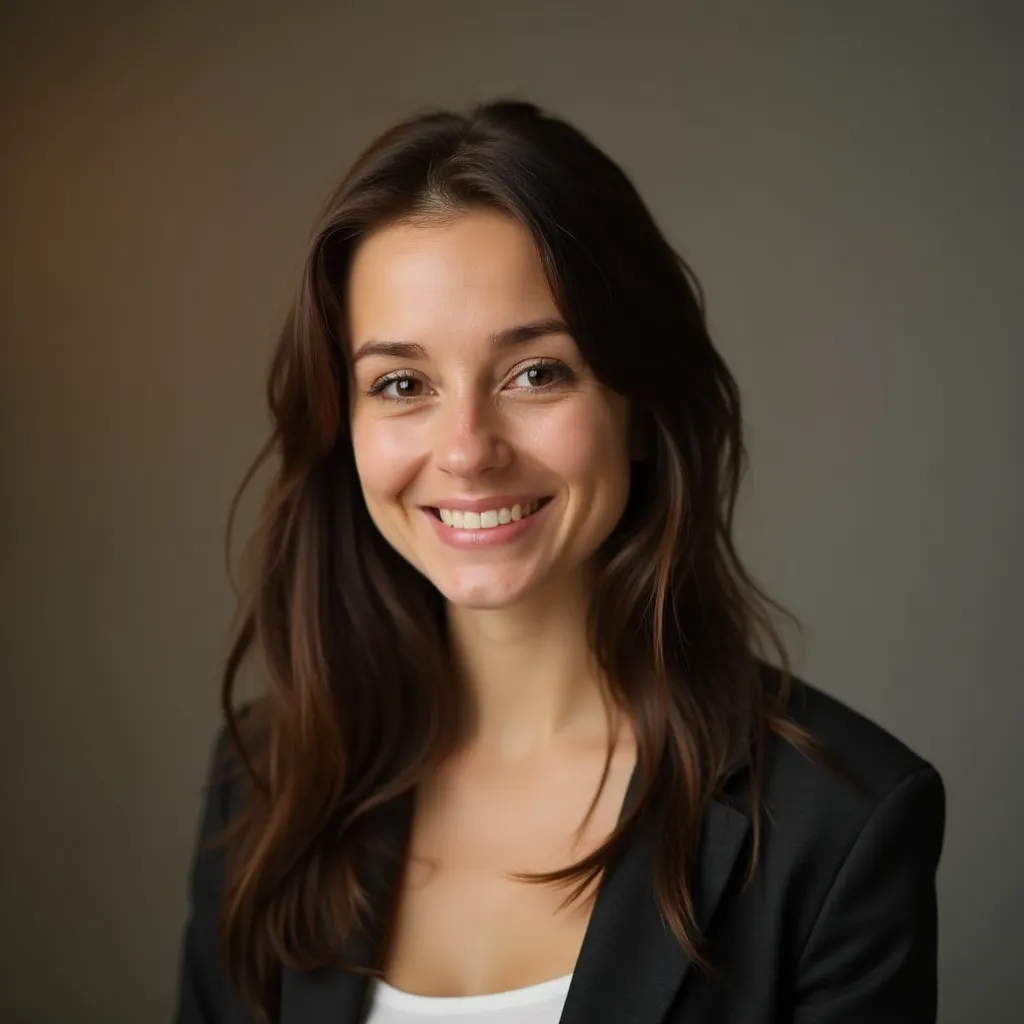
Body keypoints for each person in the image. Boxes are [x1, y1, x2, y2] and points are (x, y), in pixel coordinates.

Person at [174, 99, 946, 1024]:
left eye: (537, 372)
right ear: (346, 429)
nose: (467, 449)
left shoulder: (841, 824)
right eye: (402, 384)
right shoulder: (264, 779)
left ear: (643, 409)